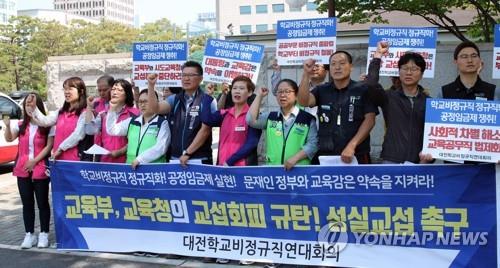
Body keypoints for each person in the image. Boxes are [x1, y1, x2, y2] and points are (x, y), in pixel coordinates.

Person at [298, 51, 378, 164]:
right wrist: (306, 74)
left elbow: (370, 120)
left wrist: (352, 145)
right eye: (333, 64)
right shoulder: (322, 90)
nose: (337, 67)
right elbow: (303, 101)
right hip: (326, 154)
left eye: (342, 63)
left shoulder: (362, 89)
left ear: (351, 67)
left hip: (356, 154)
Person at [367, 42, 433, 164]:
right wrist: (378, 56)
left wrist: (430, 155)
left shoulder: (429, 102)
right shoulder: (388, 97)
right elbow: (371, 84)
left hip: (420, 161)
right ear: (399, 72)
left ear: (422, 74)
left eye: (414, 69)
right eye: (404, 68)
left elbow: (434, 134)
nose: (409, 72)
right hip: (391, 159)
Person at [3, 92, 54, 249]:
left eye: (32, 104)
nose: (29, 107)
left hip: (40, 168)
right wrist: (6, 126)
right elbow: (9, 139)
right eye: (27, 104)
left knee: (42, 203)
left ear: (38, 106)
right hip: (22, 168)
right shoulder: (21, 125)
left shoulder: (47, 125)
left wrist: (35, 161)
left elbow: (49, 146)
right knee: (27, 203)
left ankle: (44, 234)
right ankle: (29, 234)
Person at [148, 61, 217, 166]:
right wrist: (151, 86)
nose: (186, 78)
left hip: (200, 159)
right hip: (176, 158)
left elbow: (205, 131)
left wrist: (188, 153)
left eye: (191, 75)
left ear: (200, 79)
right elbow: (155, 109)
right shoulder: (174, 99)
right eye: (184, 75)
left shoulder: (208, 101)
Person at [247, 79, 318, 170]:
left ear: (296, 95)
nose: (282, 95)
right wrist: (259, 96)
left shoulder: (307, 119)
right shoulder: (270, 117)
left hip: (299, 170)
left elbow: (313, 144)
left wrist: (295, 158)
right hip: (273, 170)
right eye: (279, 92)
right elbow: (250, 120)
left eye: (287, 91)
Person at [201, 75, 261, 166]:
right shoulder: (224, 114)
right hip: (222, 167)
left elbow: (251, 143)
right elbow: (206, 119)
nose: (237, 91)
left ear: (249, 93)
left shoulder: (253, 116)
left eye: (241, 88)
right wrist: (207, 95)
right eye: (234, 88)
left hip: (242, 169)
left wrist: (230, 162)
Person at [107, 86, 170, 169]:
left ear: (155, 102)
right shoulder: (132, 121)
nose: (142, 105)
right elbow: (112, 130)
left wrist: (140, 159)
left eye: (146, 102)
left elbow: (161, 147)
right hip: (131, 168)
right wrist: (112, 110)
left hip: (153, 170)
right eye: (140, 102)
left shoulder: (162, 122)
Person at [25, 77, 88, 161]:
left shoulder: (84, 113)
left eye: (70, 89)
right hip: (57, 159)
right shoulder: (61, 111)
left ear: (81, 91)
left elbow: (78, 135)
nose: (66, 92)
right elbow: (45, 121)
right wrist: (34, 107)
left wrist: (60, 149)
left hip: (74, 160)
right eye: (65, 89)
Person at [85, 79, 139, 163]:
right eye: (113, 89)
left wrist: (121, 151)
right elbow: (90, 130)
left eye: (120, 90)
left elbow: (137, 139)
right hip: (105, 161)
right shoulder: (103, 114)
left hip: (126, 161)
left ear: (127, 94)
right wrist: (89, 107)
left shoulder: (134, 114)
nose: (115, 92)